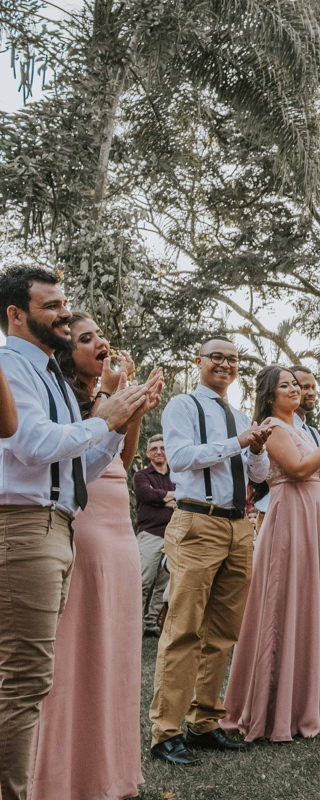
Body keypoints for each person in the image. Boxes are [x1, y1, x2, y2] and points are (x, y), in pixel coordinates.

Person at [0, 266, 148, 800]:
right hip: (22, 528)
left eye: (65, 303)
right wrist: (106, 417)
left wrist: (121, 418)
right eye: (51, 306)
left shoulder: (52, 378)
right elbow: (34, 445)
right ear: (16, 314)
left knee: (31, 680)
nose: (64, 313)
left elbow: (76, 468)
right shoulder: (10, 365)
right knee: (22, 682)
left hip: (57, 524)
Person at [27, 312, 164, 800]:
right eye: (87, 339)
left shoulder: (104, 396)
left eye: (102, 335)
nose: (101, 343)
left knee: (112, 647)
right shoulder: (58, 396)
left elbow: (121, 461)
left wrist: (138, 409)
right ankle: (58, 774)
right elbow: (71, 461)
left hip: (118, 522)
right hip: (78, 522)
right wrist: (111, 398)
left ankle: (104, 768)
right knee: (72, 649)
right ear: (68, 352)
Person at [150, 336, 273, 766]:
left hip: (240, 526)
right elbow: (181, 457)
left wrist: (255, 449)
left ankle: (204, 722)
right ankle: (165, 732)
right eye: (216, 357)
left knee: (223, 631)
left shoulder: (239, 415)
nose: (225, 364)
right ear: (198, 361)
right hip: (197, 522)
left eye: (233, 359)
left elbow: (259, 474)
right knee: (184, 628)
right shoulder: (182, 406)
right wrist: (240, 441)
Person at [221, 366, 320, 742]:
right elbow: (297, 470)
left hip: (311, 513)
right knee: (282, 601)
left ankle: (305, 701)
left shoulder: (298, 429)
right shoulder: (274, 427)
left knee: (307, 601)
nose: (294, 389)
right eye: (286, 385)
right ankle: (273, 705)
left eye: (296, 384)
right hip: (290, 515)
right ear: (269, 395)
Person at [134, 434, 175, 636]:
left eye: (163, 448)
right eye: (154, 448)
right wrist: (169, 498)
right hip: (150, 535)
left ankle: (152, 623)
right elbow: (146, 494)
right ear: (149, 453)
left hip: (172, 537)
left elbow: (185, 496)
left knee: (163, 584)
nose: (159, 451)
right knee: (142, 582)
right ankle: (134, 624)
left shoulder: (176, 475)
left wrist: (160, 498)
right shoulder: (142, 476)